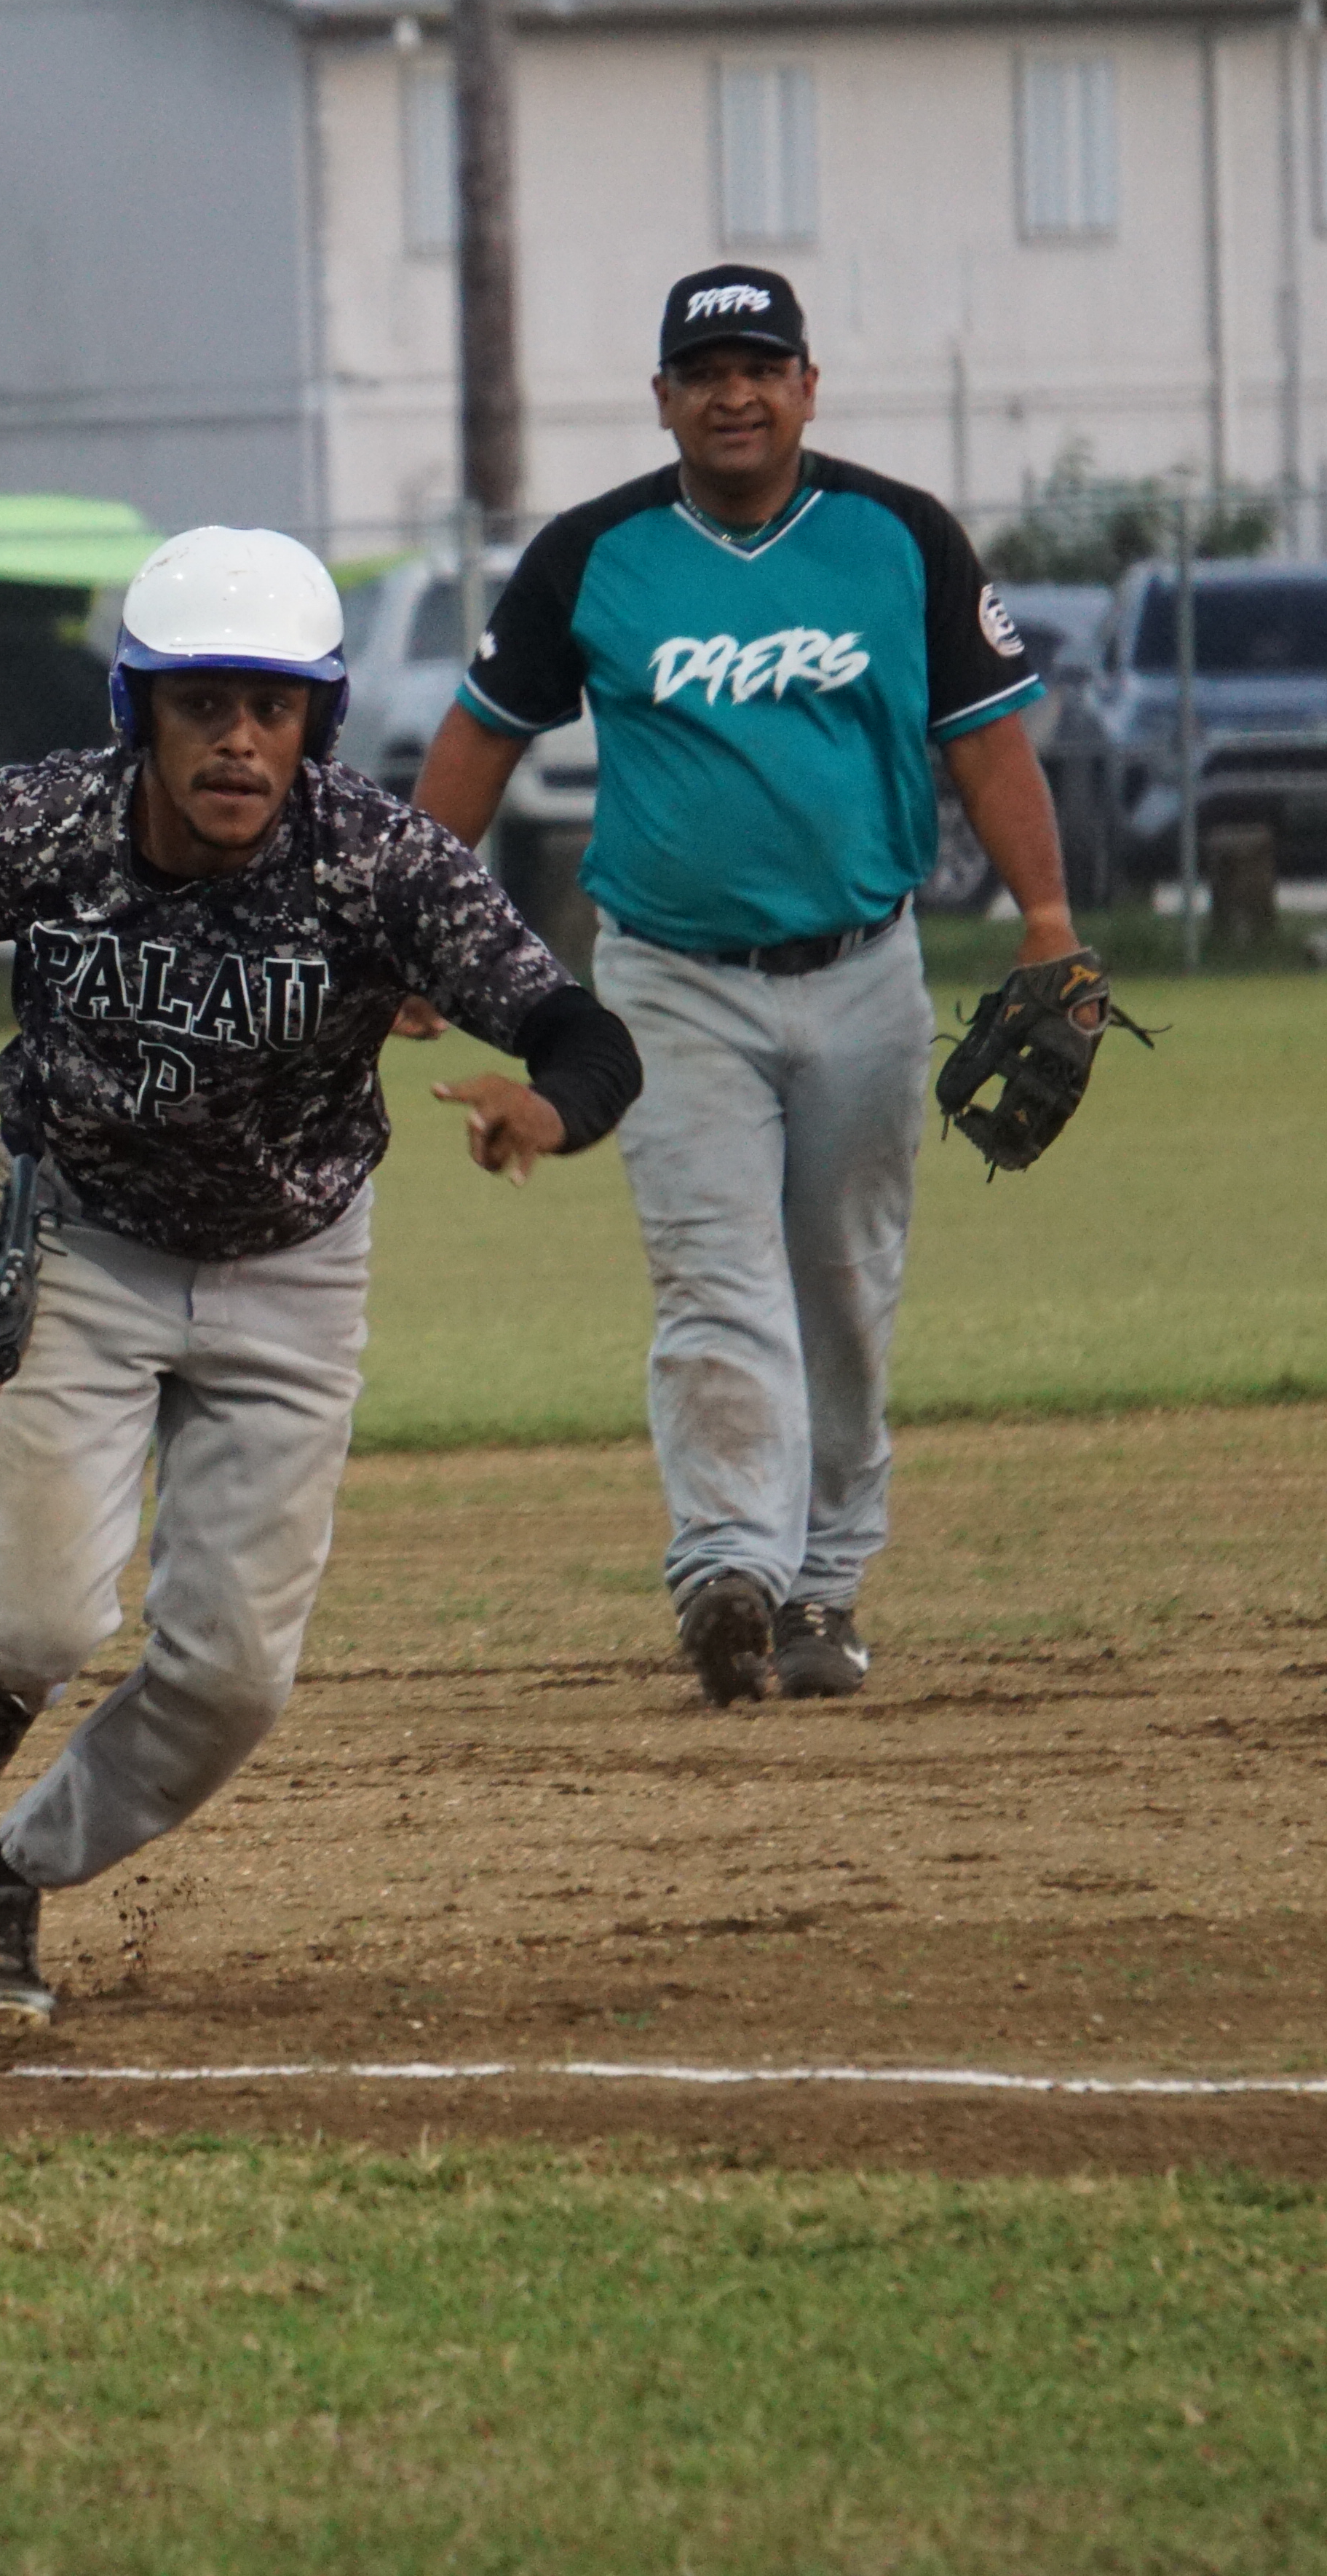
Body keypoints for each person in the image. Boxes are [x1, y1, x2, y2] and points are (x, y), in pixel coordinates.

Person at [0, 525, 643, 2025]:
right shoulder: (42, 830)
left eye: (272, 706)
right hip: (82, 1240)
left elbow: (581, 1031)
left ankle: (4, 1876)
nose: (237, 738)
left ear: (318, 723)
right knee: (40, 1625)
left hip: (292, 1266)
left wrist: (547, 1105)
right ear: (139, 712)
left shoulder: (374, 861)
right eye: (203, 700)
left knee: (230, 1682)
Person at [410, 263, 1082, 1710]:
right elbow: (480, 737)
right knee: (716, 1281)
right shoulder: (596, 555)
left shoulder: (898, 536)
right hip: (669, 981)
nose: (733, 392)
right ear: (663, 399)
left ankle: (822, 1585)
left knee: (840, 1288)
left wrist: (1049, 918)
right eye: (704, 371)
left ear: (806, 385)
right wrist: (413, 932)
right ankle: (727, 1566)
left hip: (865, 971)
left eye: (760, 365)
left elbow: (988, 742)